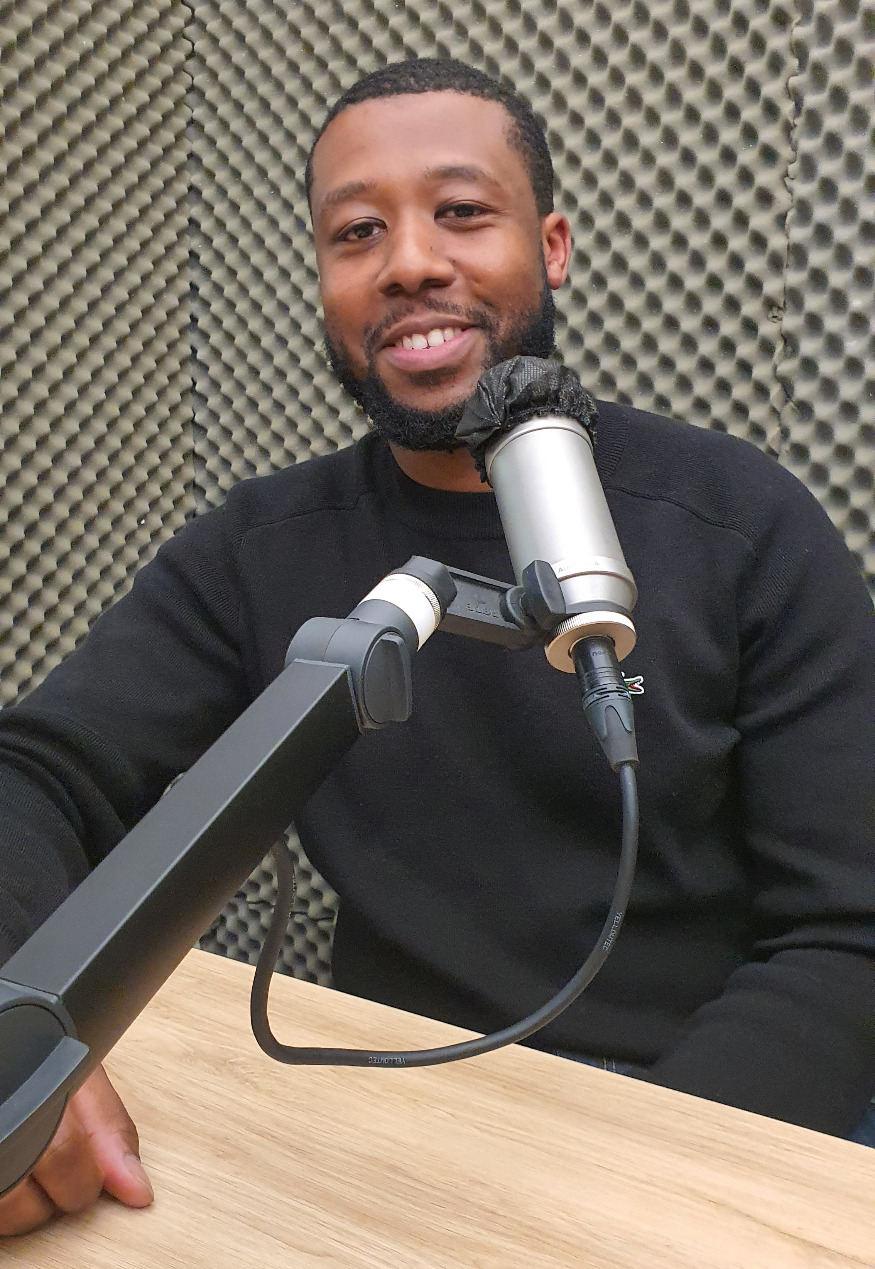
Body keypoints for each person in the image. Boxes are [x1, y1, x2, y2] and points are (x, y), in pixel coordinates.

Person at [0, 58, 873, 1236]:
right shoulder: (255, 549)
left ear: (550, 247)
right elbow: (40, 774)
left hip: (706, 1115)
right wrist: (15, 1036)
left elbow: (845, 932)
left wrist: (646, 1194)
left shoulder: (743, 524)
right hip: (399, 1100)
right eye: (356, 231)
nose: (407, 261)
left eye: (460, 211)